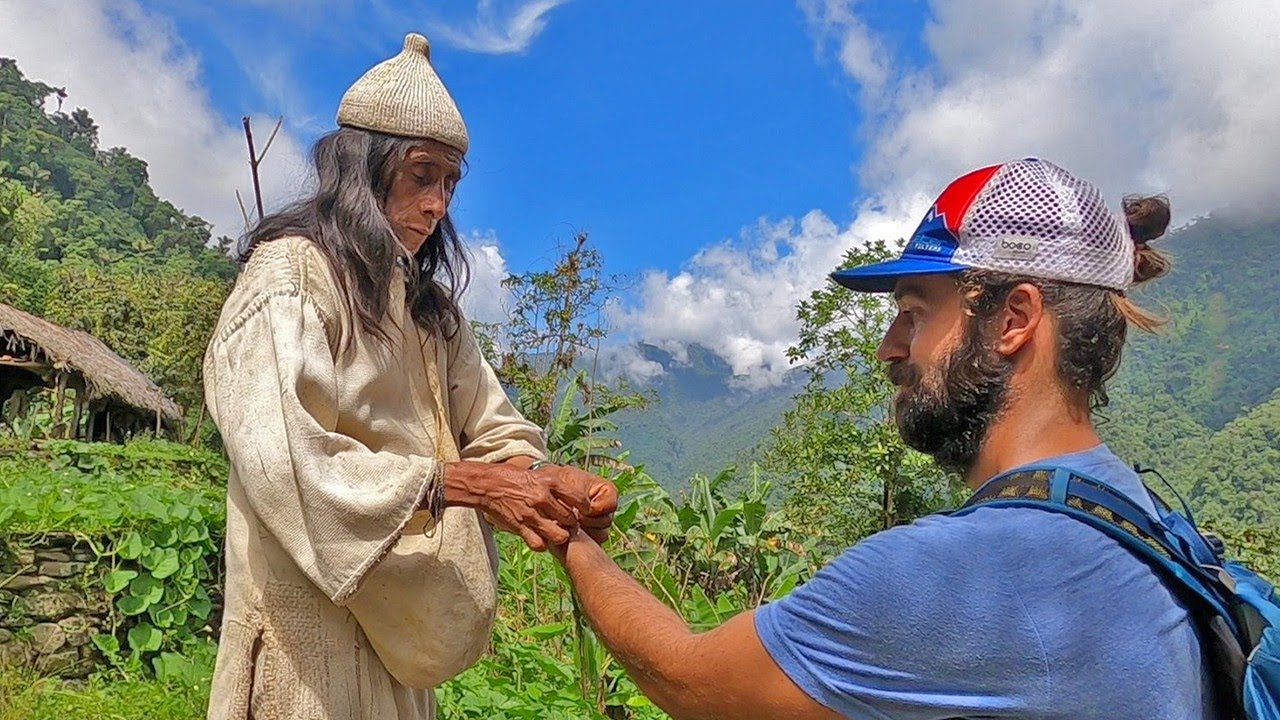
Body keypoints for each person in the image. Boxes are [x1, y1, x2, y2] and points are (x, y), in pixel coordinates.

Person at [554, 158, 1215, 719]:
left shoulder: (964, 574)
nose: (887, 348)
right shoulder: (1144, 518)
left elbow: (687, 679)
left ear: (1014, 317)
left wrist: (571, 540)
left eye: (914, 313)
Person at [202, 33, 616, 720]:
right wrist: (460, 485)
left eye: (451, 183)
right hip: (306, 633)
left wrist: (541, 476)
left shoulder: (428, 310)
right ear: (362, 171)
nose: (439, 204)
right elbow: (284, 460)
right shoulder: (290, 278)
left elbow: (488, 421)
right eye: (422, 176)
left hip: (397, 628)